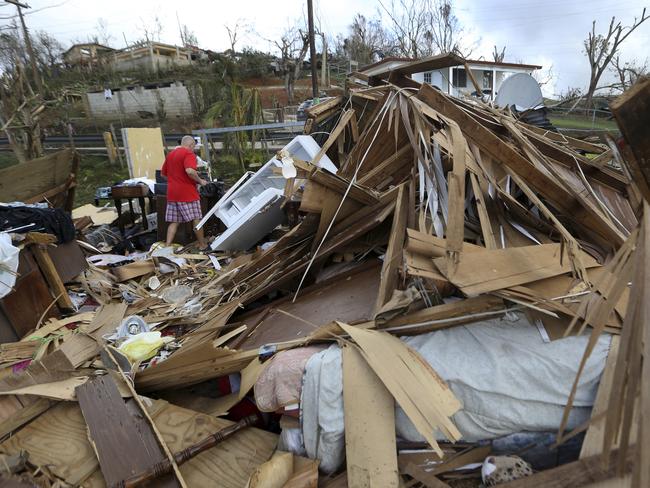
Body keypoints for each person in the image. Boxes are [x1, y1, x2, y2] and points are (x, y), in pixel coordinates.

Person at [161, 135, 209, 249]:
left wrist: (175, 180)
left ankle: (167, 246)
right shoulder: (189, 154)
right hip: (187, 193)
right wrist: (200, 181)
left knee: (174, 222)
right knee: (196, 218)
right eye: (194, 146)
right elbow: (190, 171)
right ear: (191, 145)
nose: (194, 149)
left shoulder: (170, 154)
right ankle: (202, 244)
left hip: (172, 194)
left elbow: (163, 175)